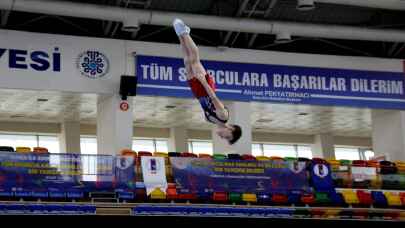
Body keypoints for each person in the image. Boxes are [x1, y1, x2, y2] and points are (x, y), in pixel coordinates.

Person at [173, 18, 242, 145]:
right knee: (194, 60)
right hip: (206, 88)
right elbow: (213, 97)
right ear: (231, 129)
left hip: (198, 93)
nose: (223, 137)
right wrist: (203, 81)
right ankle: (185, 32)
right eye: (227, 137)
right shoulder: (223, 116)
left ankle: (180, 36)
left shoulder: (210, 120)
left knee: (187, 61)